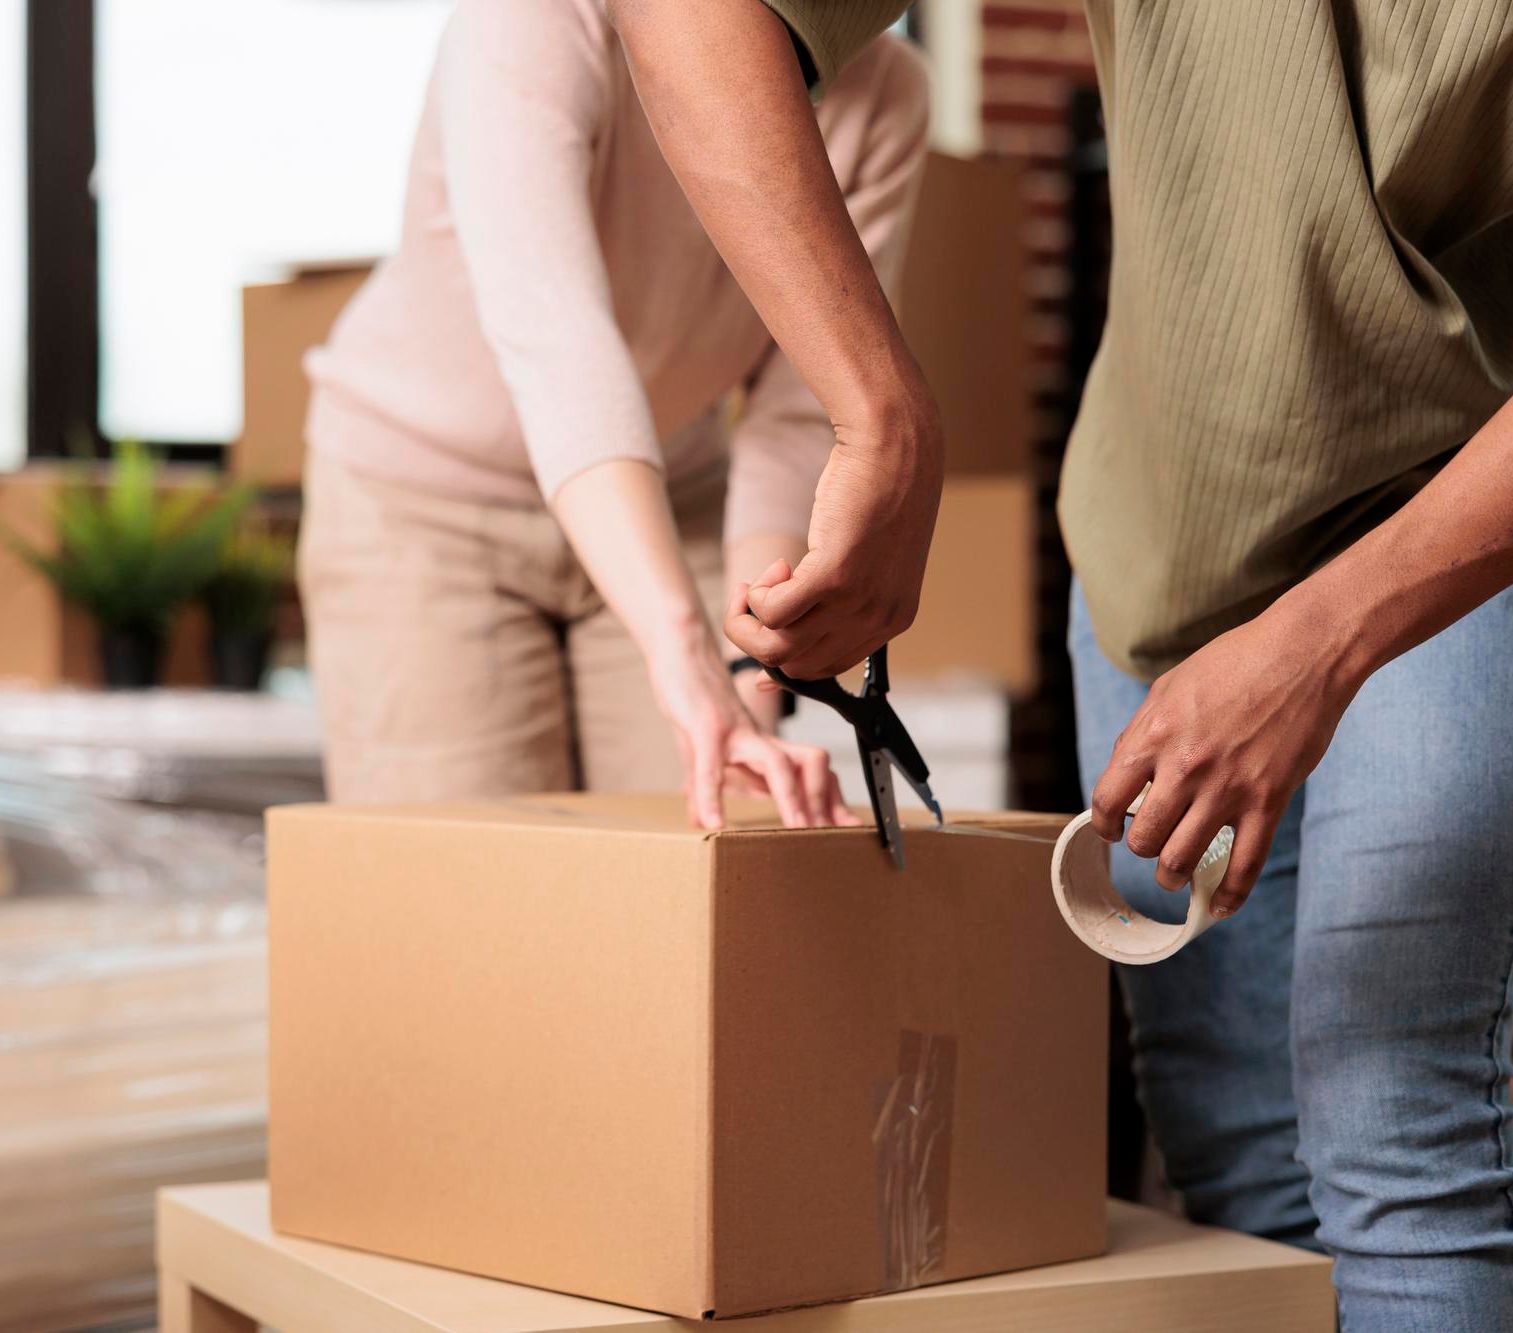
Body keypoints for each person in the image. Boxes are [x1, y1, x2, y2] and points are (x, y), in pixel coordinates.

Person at [602, 1, 1513, 1328]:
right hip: (1169, 528)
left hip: (1463, 514)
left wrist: (1314, 649)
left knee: (1399, 1134)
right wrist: (882, 410)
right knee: (1233, 1141)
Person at [297, 0, 930, 829]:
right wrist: (683, 647)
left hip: (674, 497)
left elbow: (803, 408)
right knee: (468, 895)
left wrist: (754, 662)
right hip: (423, 505)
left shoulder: (887, 96)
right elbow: (555, 338)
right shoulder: (534, 19)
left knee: (706, 837)